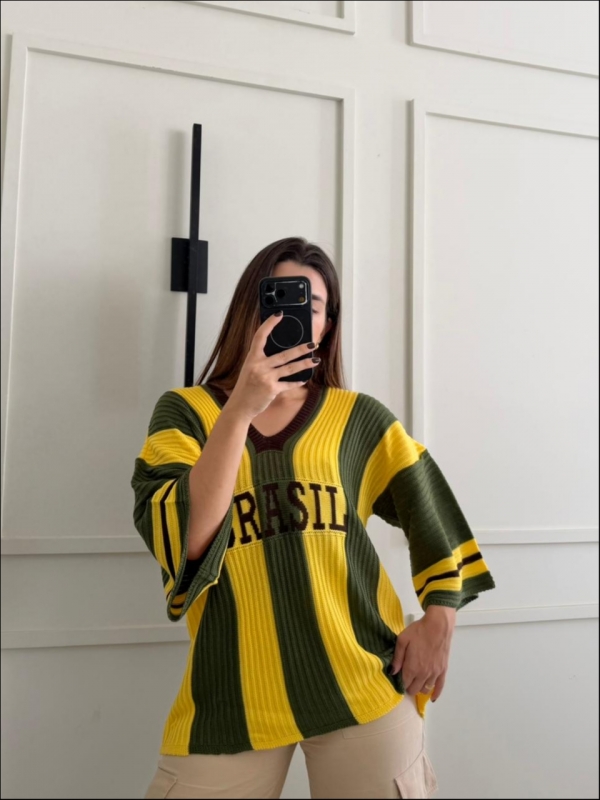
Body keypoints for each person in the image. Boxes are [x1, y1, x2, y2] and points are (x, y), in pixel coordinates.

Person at [131, 236, 496, 799]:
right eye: (274, 297)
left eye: (312, 304)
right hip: (230, 697)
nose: (291, 314)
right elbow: (188, 538)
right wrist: (240, 408)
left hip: (363, 684)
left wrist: (440, 619)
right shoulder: (186, 413)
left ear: (325, 326)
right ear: (249, 310)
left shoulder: (357, 418)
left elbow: (434, 512)